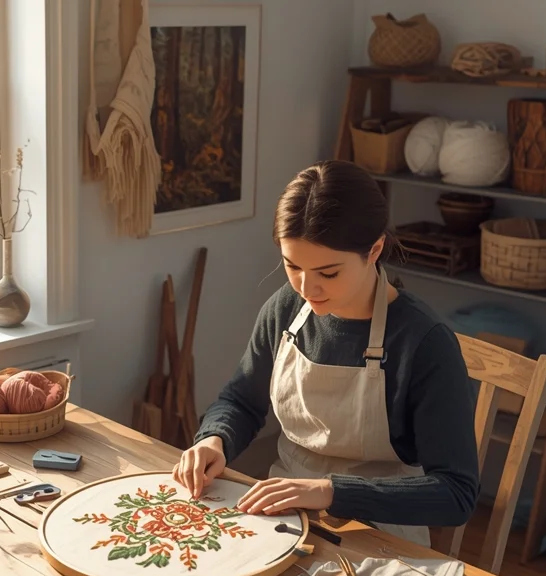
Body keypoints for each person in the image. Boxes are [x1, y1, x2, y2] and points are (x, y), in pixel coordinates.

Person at [172, 160, 479, 547]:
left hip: (383, 531)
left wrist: (330, 492)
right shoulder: (285, 309)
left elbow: (457, 494)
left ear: (375, 249)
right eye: (292, 266)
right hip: (286, 515)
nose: (306, 288)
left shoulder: (424, 342)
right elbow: (240, 401)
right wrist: (213, 440)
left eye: (328, 273)